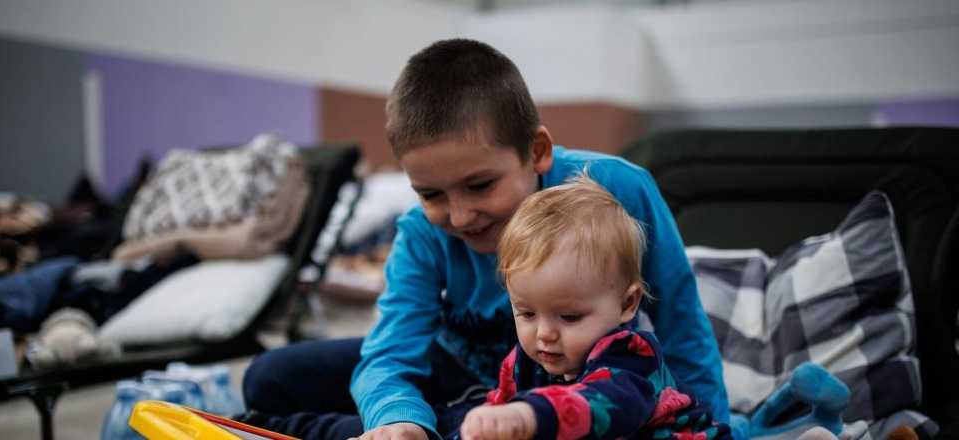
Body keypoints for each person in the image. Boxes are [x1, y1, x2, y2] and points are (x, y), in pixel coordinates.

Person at [240, 38, 729, 440]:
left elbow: (680, 321)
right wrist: (396, 418)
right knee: (268, 377)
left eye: (480, 185)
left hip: (575, 381)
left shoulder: (617, 189)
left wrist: (715, 425)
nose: (459, 214)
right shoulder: (423, 234)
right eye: (431, 193)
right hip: (468, 375)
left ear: (536, 152)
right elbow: (390, 353)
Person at [454, 174, 730, 440]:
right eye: (527, 313)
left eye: (569, 317)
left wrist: (528, 416)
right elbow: (497, 412)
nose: (544, 334)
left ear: (627, 304)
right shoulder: (524, 363)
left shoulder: (632, 358)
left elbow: (604, 405)